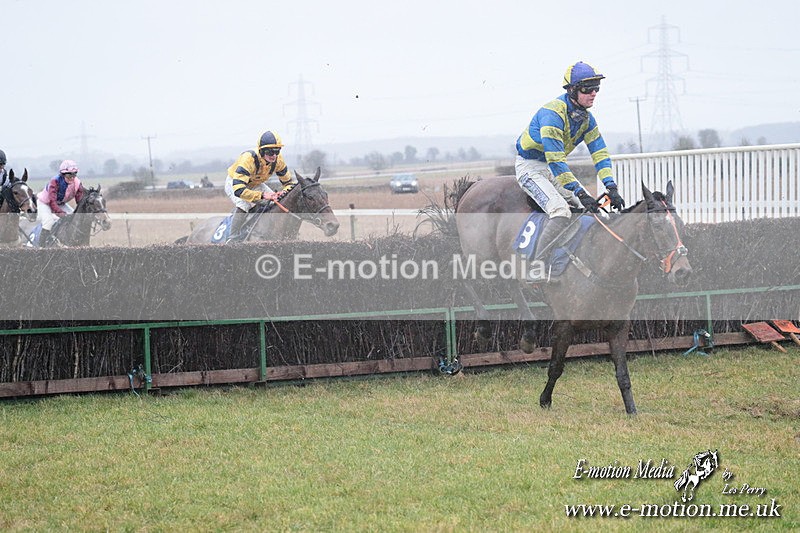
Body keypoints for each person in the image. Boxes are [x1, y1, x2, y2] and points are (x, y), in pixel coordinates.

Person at [515, 61, 625, 282]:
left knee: (592, 211)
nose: (593, 93)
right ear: (572, 90)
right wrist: (580, 192)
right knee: (561, 212)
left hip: (553, 169)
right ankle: (537, 265)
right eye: (587, 88)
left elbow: (600, 153)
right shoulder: (552, 114)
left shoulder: (587, 119)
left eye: (597, 88)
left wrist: (610, 186)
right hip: (531, 168)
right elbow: (556, 161)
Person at [224, 130, 293, 241]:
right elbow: (239, 191)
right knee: (244, 205)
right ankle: (232, 238)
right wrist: (263, 195)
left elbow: (289, 183)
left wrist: (284, 192)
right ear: (262, 150)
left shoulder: (278, 160)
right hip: (235, 183)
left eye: (277, 151)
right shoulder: (248, 159)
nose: (274, 155)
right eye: (270, 152)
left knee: (276, 202)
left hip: (255, 184)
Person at [37, 159, 85, 244]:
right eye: (69, 175)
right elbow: (52, 202)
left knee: (74, 217)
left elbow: (80, 202)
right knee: (48, 222)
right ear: (62, 174)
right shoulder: (55, 181)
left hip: (60, 203)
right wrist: (62, 214)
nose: (72, 178)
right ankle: (41, 247)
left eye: (74, 174)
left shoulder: (77, 183)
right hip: (45, 203)